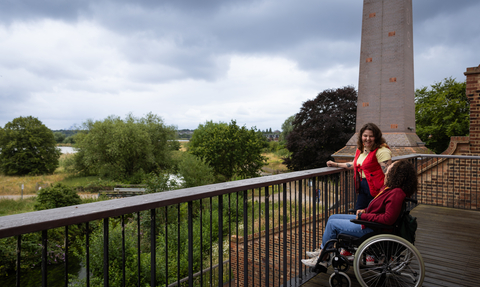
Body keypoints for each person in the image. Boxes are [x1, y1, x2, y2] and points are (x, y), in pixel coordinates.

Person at [301, 159, 418, 268]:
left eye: (390, 168)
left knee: (332, 225)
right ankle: (323, 250)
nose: (386, 170)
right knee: (332, 217)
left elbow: (388, 219)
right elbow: (381, 208)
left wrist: (364, 216)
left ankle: (322, 258)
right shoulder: (392, 189)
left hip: (372, 229)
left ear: (396, 174)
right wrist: (366, 211)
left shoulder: (396, 192)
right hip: (370, 223)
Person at [327, 123, 392, 210]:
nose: (368, 139)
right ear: (361, 136)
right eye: (365, 136)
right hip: (363, 186)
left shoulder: (382, 151)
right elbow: (355, 164)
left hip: (377, 189)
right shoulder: (360, 149)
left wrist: (385, 193)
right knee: (359, 211)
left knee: (372, 214)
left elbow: (389, 174)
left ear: (376, 137)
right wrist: (336, 164)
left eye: (371, 136)